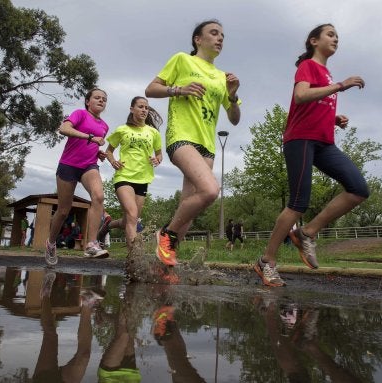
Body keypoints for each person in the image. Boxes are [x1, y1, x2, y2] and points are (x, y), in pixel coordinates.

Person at [254, 23, 369, 287]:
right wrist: (341, 86)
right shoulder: (308, 66)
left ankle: (307, 233)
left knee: (359, 189)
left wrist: (332, 118)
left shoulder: (327, 74)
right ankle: (267, 261)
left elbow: (313, 105)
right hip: (301, 140)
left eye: (338, 36)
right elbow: (302, 95)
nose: (336, 39)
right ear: (313, 41)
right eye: (330, 34)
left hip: (324, 141)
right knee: (298, 203)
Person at [145, 19, 241, 266]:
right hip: (181, 136)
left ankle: (162, 265)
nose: (220, 38)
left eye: (222, 35)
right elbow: (151, 89)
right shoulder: (182, 60)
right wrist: (179, 90)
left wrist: (232, 95)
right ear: (198, 40)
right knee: (210, 191)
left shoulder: (223, 77)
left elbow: (234, 119)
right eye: (214, 33)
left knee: (187, 208)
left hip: (207, 146)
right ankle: (166, 235)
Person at [44, 87, 110, 266]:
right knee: (64, 210)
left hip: (89, 166)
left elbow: (92, 146)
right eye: (97, 97)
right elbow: (63, 129)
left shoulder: (104, 126)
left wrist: (98, 153)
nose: (101, 100)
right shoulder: (80, 114)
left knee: (98, 196)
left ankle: (91, 244)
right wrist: (90, 137)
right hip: (68, 165)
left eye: (104, 99)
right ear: (88, 101)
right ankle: (50, 243)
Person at [100, 96, 163, 251]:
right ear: (132, 109)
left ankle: (107, 225)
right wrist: (113, 161)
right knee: (133, 215)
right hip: (124, 176)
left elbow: (159, 154)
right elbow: (109, 151)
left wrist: (157, 160)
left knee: (130, 219)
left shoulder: (153, 132)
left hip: (143, 179)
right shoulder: (122, 130)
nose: (144, 110)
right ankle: (133, 257)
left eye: (146, 108)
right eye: (140, 107)